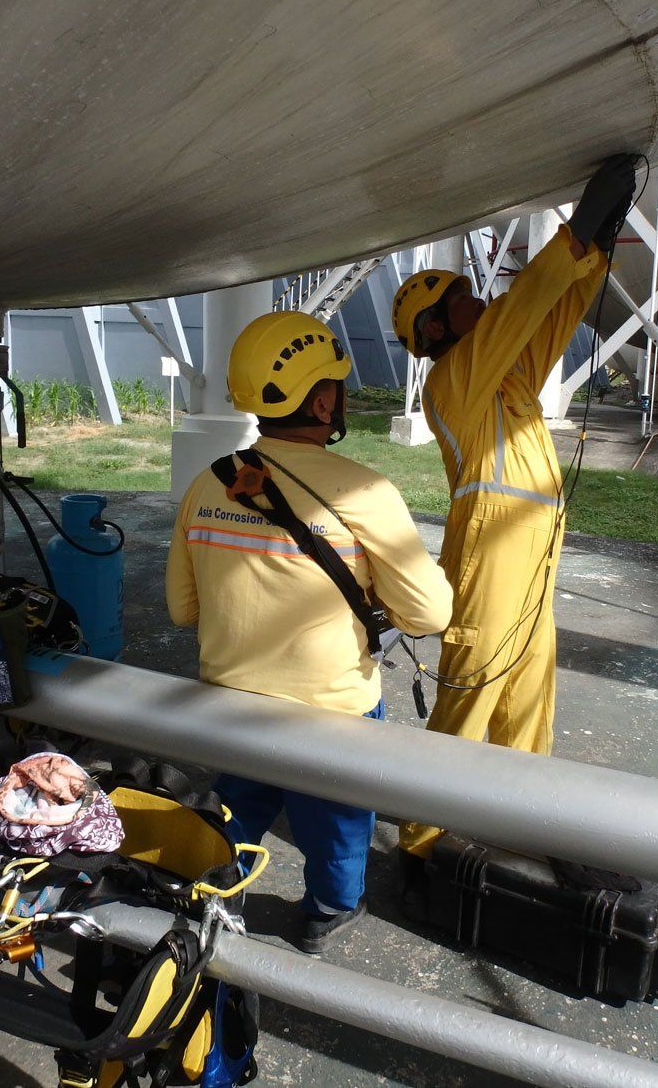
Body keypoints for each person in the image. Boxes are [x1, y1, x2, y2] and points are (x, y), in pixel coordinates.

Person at [166, 310, 453, 953]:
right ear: (323, 399)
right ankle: (329, 910)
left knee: (236, 808)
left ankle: (216, 892)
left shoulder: (207, 485)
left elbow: (184, 610)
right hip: (333, 712)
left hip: (231, 703)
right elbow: (431, 616)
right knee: (341, 821)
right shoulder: (365, 489)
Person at [389, 155, 637, 868]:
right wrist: (578, 227)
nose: (482, 301)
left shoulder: (503, 371)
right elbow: (525, 306)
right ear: (434, 326)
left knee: (528, 691)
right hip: (492, 544)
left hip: (533, 545)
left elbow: (549, 318)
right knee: (473, 683)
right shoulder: (450, 381)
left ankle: (519, 818)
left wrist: (595, 250)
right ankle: (425, 837)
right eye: (464, 298)